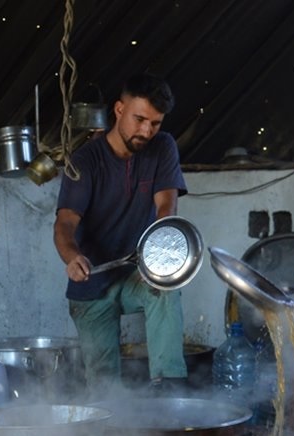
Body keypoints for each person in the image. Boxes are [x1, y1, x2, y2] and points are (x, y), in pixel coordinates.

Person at [53, 73, 188, 392]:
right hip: (92, 282)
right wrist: (72, 258)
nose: (146, 131)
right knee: (103, 387)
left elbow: (166, 209)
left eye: (155, 123)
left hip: (135, 273)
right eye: (139, 119)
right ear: (119, 109)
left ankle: (169, 393)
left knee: (166, 286)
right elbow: (65, 223)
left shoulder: (162, 147)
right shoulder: (86, 160)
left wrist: (160, 261)